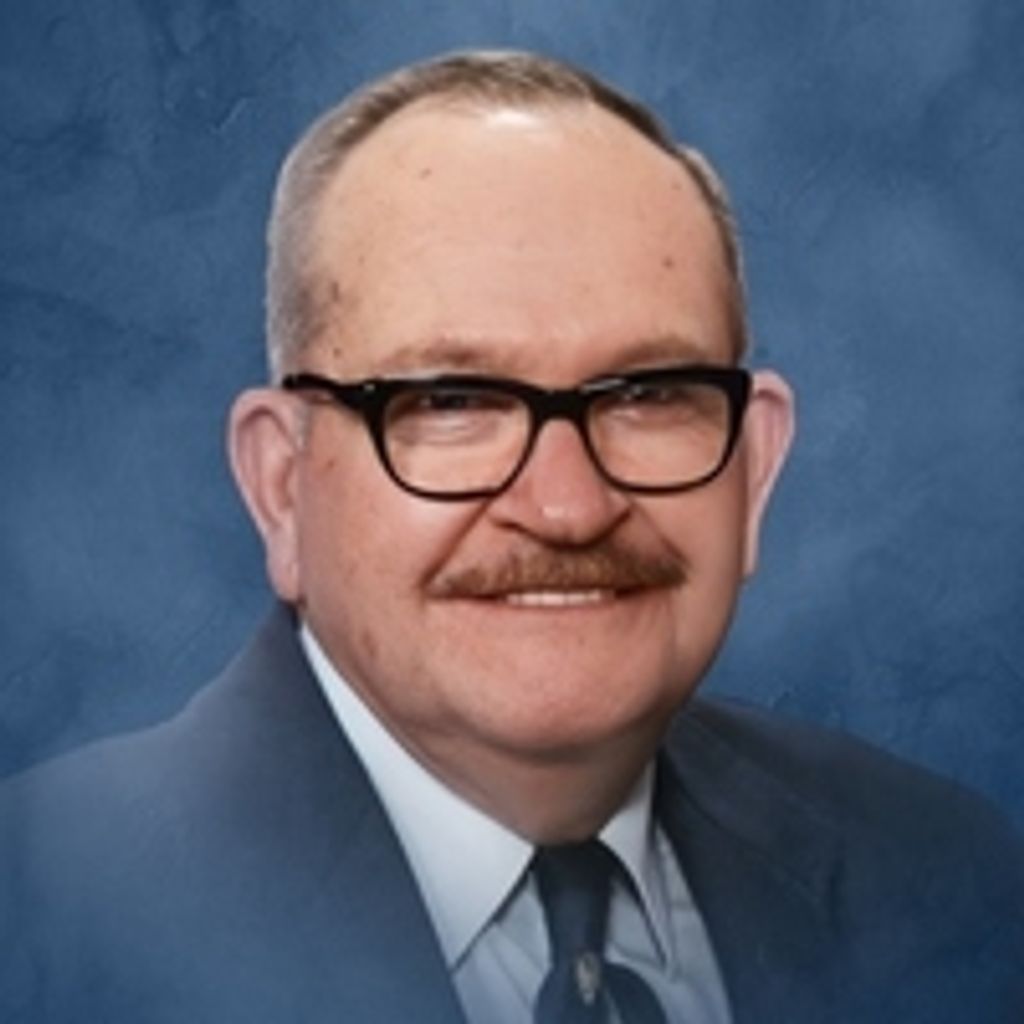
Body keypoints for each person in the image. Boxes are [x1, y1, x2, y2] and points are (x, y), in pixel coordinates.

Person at [1, 50, 1021, 1024]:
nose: (568, 507)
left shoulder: (947, 877)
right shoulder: (41, 922)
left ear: (752, 471)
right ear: (281, 488)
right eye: (452, 401)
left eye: (648, 394)